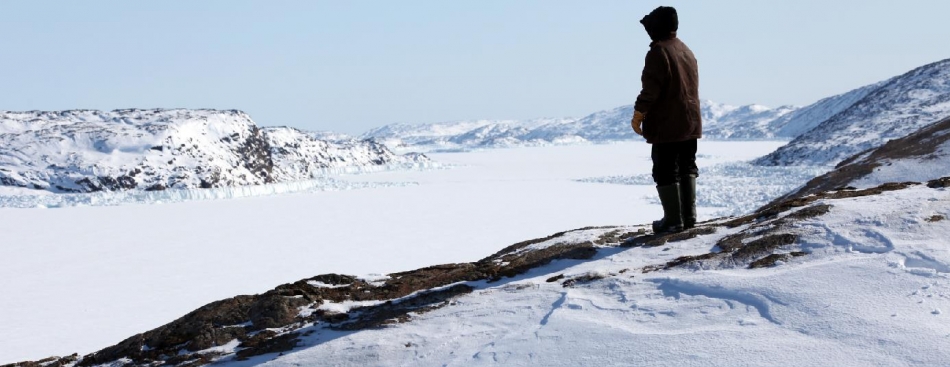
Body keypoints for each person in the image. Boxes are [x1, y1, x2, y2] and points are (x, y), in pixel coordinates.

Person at [630, 6, 701, 233]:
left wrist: (639, 113)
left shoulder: (658, 52)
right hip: (690, 121)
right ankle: (688, 217)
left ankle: (673, 220)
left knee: (665, 169)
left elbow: (651, 89)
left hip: (668, 123)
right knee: (687, 165)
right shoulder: (685, 50)